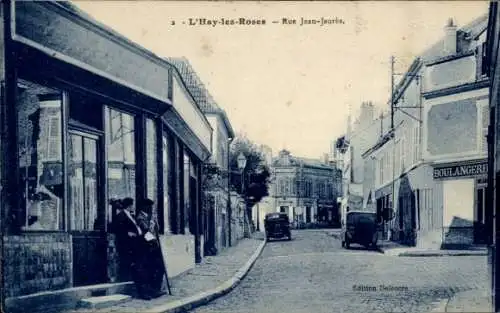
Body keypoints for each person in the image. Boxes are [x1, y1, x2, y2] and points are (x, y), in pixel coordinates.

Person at [135, 198, 167, 299]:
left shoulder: (150, 218)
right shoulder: (140, 217)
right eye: (150, 206)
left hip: (153, 247)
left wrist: (154, 222)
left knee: (158, 267)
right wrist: (153, 241)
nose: (151, 208)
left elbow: (157, 230)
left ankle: (155, 289)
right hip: (145, 247)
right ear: (145, 207)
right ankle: (148, 291)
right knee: (146, 270)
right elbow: (146, 231)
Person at [112, 197, 142, 283]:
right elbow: (117, 229)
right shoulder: (121, 215)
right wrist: (127, 233)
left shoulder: (131, 215)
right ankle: (125, 280)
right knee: (126, 261)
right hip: (126, 243)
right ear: (129, 206)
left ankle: (131, 279)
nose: (133, 207)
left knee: (133, 261)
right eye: (132, 205)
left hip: (134, 242)